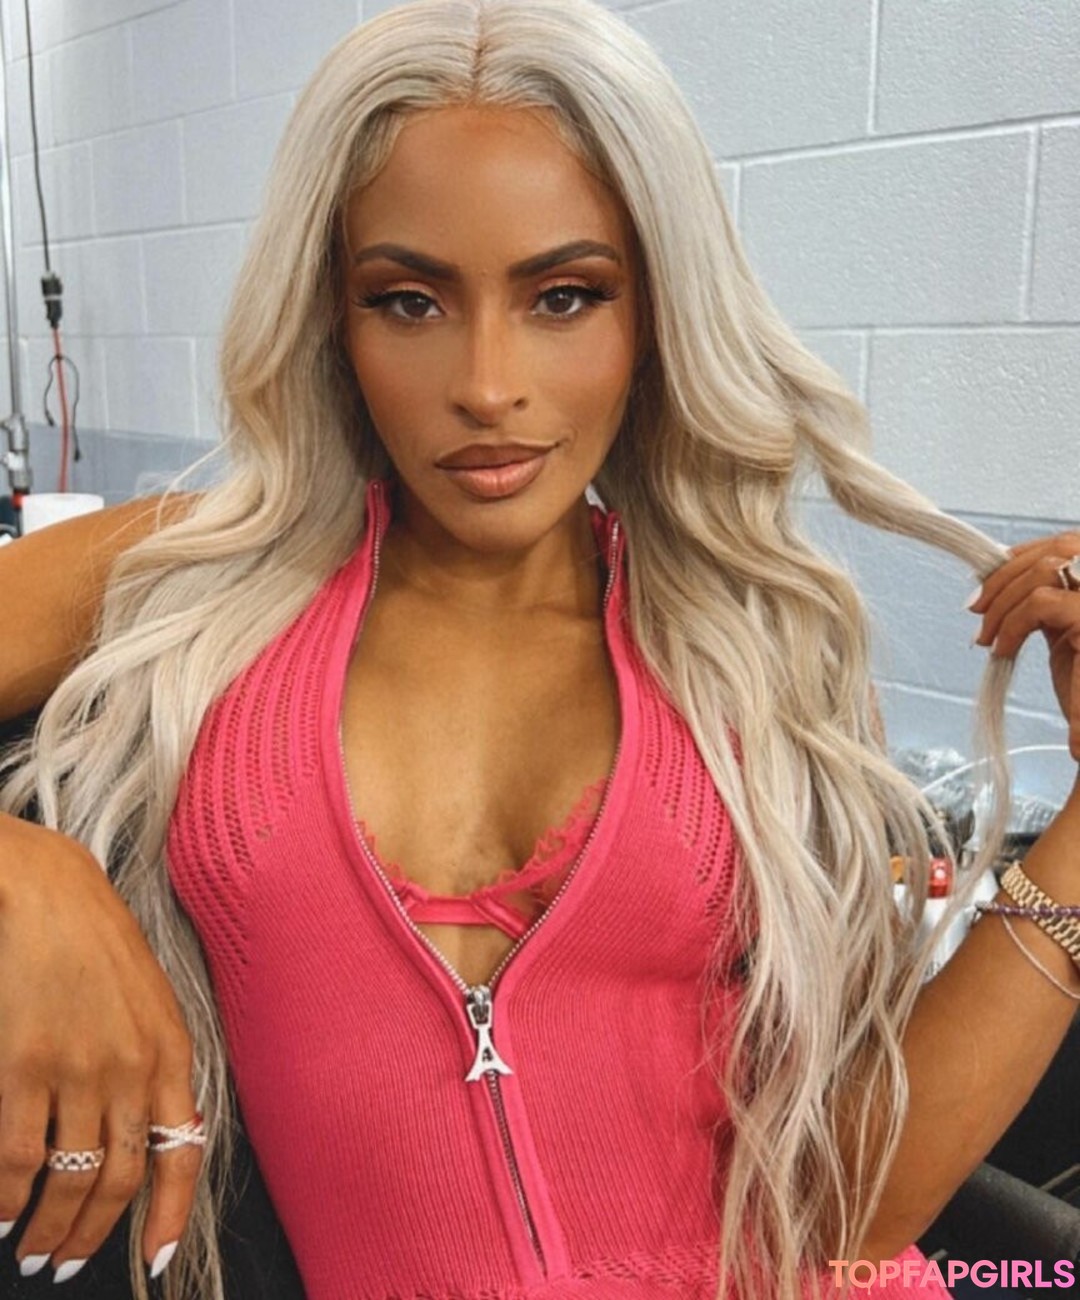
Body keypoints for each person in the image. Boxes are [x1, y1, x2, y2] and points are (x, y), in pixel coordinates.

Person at [1, 0, 1078, 1297]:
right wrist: (21, 875)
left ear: (652, 313)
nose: (488, 383)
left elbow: (852, 1203)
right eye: (409, 300)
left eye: (565, 296)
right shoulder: (192, 574)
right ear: (332, 319)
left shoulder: (739, 649)